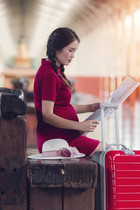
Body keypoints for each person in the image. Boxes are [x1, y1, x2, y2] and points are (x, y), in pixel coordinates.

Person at [33, 27, 103, 156]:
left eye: (75, 51)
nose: (73, 56)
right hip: (57, 140)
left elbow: (61, 107)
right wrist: (80, 126)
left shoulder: (55, 71)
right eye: (70, 50)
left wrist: (90, 107)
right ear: (56, 49)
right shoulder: (49, 74)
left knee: (108, 150)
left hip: (66, 136)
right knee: (107, 152)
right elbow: (47, 115)